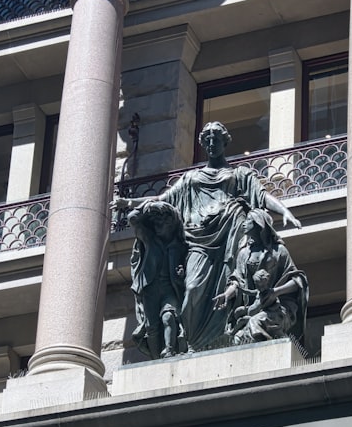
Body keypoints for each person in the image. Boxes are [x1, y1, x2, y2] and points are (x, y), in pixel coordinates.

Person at [113, 121, 301, 351]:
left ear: (225, 142)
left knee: (234, 285)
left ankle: (228, 336)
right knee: (192, 289)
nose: (211, 144)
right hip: (198, 240)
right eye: (207, 140)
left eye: (216, 139)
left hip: (232, 235)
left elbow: (261, 196)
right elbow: (163, 199)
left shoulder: (239, 174)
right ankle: (193, 344)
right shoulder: (191, 178)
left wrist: (285, 211)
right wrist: (129, 202)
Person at [213, 209, 309, 345]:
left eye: (248, 221)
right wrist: (226, 295)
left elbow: (298, 281)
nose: (243, 224)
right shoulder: (243, 254)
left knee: (254, 323)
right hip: (253, 308)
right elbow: (237, 281)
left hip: (279, 309)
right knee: (238, 338)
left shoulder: (278, 251)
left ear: (259, 224)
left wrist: (275, 292)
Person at [127, 201, 187, 358]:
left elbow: (186, 271)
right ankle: (155, 359)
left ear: (170, 222)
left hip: (169, 289)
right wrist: (147, 205)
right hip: (150, 289)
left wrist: (181, 275)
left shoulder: (180, 246)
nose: (157, 224)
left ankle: (169, 350)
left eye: (161, 221)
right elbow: (132, 218)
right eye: (155, 221)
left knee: (169, 317)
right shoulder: (149, 239)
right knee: (152, 327)